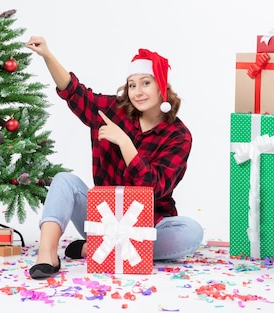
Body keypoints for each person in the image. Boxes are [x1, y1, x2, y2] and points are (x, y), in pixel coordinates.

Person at [25, 36, 203, 279]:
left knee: (191, 232)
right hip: (103, 219)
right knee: (64, 180)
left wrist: (126, 143)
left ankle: (96, 248)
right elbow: (74, 93)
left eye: (145, 83)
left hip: (147, 225)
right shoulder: (114, 111)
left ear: (162, 86)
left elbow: (154, 187)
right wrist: (47, 55)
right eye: (132, 85)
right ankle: (47, 253)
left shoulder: (179, 136)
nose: (137, 92)